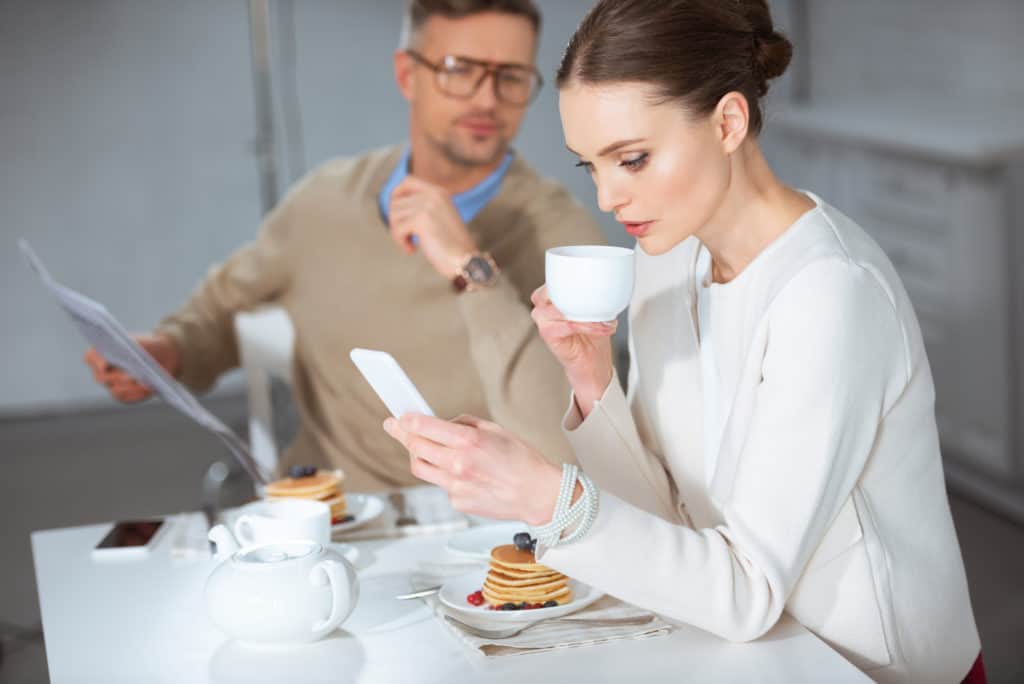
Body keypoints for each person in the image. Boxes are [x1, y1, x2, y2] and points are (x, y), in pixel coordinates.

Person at [382, 1, 984, 681]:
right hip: (752, 654)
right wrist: (593, 383)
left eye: (632, 159)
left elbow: (746, 591)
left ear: (728, 122)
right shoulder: (669, 262)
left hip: (865, 667)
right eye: (591, 166)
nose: (609, 197)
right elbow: (668, 521)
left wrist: (542, 498)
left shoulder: (828, 293)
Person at [82, 0, 605, 491]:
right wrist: (166, 352)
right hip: (330, 515)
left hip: (481, 530)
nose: (487, 99)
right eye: (459, 69)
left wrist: (469, 266)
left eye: (510, 77)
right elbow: (222, 308)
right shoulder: (322, 202)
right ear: (407, 75)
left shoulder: (564, 238)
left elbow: (566, 442)